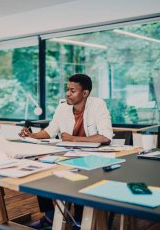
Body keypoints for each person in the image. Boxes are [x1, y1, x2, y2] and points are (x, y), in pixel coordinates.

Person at [19, 73, 113, 229]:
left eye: (72, 90)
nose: (68, 93)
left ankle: (80, 221)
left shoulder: (98, 105)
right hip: (67, 155)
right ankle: (49, 217)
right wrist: (32, 135)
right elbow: (50, 131)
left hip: (92, 158)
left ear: (85, 93)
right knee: (41, 172)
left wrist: (73, 139)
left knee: (81, 177)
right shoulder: (63, 107)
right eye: (67, 89)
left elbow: (105, 137)